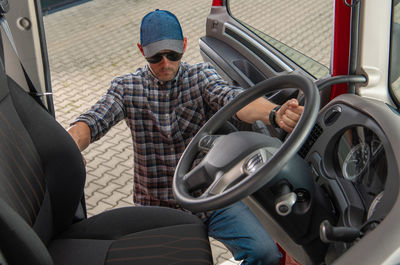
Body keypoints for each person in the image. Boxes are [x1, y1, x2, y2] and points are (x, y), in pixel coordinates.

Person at [68, 9, 303, 265]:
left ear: (185, 46)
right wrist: (69, 147)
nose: (166, 63)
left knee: (265, 252)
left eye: (173, 54)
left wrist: (275, 113)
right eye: (156, 56)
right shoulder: (127, 87)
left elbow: (233, 101)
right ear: (141, 50)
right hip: (157, 208)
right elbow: (93, 121)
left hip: (210, 196)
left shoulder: (200, 77)